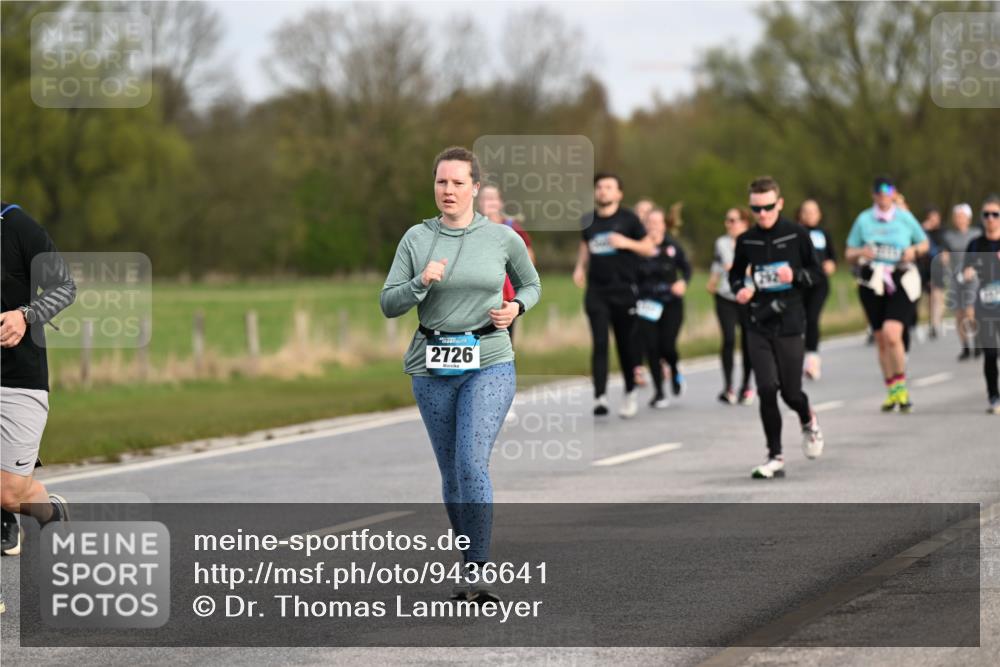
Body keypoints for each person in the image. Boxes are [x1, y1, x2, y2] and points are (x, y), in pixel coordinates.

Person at [380, 147, 540, 603]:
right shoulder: (416, 239)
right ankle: (469, 559)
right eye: (441, 182)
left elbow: (532, 284)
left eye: (456, 183)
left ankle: (477, 569)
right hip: (431, 365)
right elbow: (389, 303)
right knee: (451, 472)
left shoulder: (501, 238)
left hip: (488, 357)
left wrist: (516, 307)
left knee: (471, 461)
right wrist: (419, 284)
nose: (447, 191)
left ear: (474, 187)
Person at [1, 201, 76, 612]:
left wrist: (25, 315)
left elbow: (66, 287)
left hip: (18, 380)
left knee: (11, 494)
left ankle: (48, 511)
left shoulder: (14, 225)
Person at [729, 177, 824, 479]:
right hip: (758, 321)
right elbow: (735, 275)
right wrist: (740, 290)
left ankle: (808, 419)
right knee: (767, 389)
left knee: (791, 393)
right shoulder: (747, 240)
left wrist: (794, 275)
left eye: (769, 207)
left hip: (791, 321)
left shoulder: (797, 235)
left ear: (780, 204)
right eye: (757, 209)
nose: (763, 214)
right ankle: (775, 456)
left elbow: (817, 274)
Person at [573, 173, 654, 418]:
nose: (603, 191)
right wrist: (580, 267)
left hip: (624, 291)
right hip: (597, 290)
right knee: (599, 342)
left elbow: (648, 247)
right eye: (599, 187)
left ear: (619, 193)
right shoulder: (589, 220)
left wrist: (626, 243)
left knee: (625, 345)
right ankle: (600, 396)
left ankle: (629, 391)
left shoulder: (629, 219)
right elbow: (586, 245)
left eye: (608, 187)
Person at [845, 176, 929, 412]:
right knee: (881, 339)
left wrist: (912, 250)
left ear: (894, 193)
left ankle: (902, 387)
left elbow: (924, 243)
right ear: (873, 195)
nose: (884, 195)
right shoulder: (864, 219)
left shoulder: (903, 217)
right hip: (872, 281)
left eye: (888, 191)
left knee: (893, 334)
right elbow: (848, 252)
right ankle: (891, 390)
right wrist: (862, 251)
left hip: (901, 278)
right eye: (879, 192)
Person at [636, 207, 690, 407]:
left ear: (664, 225)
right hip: (647, 304)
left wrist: (683, 282)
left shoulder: (672, 247)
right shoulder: (638, 248)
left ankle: (675, 370)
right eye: (650, 223)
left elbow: (686, 268)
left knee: (667, 346)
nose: (653, 227)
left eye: (657, 223)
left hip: (671, 303)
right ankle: (659, 392)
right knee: (652, 348)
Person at [476, 184, 535, 347]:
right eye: (485, 199)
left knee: (505, 346)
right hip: (477, 297)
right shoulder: (471, 227)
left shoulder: (513, 228)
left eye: (493, 198)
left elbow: (529, 261)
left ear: (500, 202)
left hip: (506, 298)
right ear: (479, 203)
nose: (489, 202)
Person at [707, 207, 755, 405]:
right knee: (727, 339)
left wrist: (738, 268)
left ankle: (746, 386)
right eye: (727, 220)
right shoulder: (722, 242)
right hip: (726, 296)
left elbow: (757, 269)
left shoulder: (753, 240)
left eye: (733, 220)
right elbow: (719, 263)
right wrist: (712, 280)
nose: (729, 224)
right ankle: (728, 387)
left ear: (744, 223)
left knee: (747, 342)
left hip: (748, 296)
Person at [962, 195, 1000, 413]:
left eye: (995, 214)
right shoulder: (976, 244)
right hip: (985, 304)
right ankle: (994, 397)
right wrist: (968, 273)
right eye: (987, 215)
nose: (991, 219)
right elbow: (966, 270)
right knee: (991, 353)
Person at [797, 199, 837, 380]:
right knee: (798, 322)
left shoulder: (824, 233)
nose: (810, 215)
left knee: (812, 318)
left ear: (819, 214)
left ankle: (812, 359)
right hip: (800, 284)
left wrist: (831, 264)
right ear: (800, 214)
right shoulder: (795, 233)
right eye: (806, 211)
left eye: (814, 211)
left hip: (819, 284)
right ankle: (796, 358)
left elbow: (832, 257)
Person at [942, 203, 982, 360]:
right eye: (957, 217)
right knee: (959, 315)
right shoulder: (949, 237)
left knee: (970, 312)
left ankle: (977, 341)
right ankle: (965, 347)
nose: (959, 220)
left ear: (968, 218)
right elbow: (945, 254)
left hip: (973, 277)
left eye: (962, 216)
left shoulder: (976, 234)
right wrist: (944, 261)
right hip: (955, 277)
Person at [630, 197, 655, 388]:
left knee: (652, 329)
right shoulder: (630, 234)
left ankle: (658, 361)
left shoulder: (658, 236)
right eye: (639, 211)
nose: (643, 216)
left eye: (647, 212)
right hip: (633, 287)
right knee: (635, 328)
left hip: (654, 291)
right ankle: (637, 367)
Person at [918, 207, 946, 339]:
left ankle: (936, 322)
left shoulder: (943, 232)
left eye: (935, 218)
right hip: (925, 267)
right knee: (929, 297)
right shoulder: (922, 232)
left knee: (937, 295)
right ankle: (931, 321)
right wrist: (923, 228)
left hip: (937, 267)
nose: (933, 220)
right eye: (931, 218)